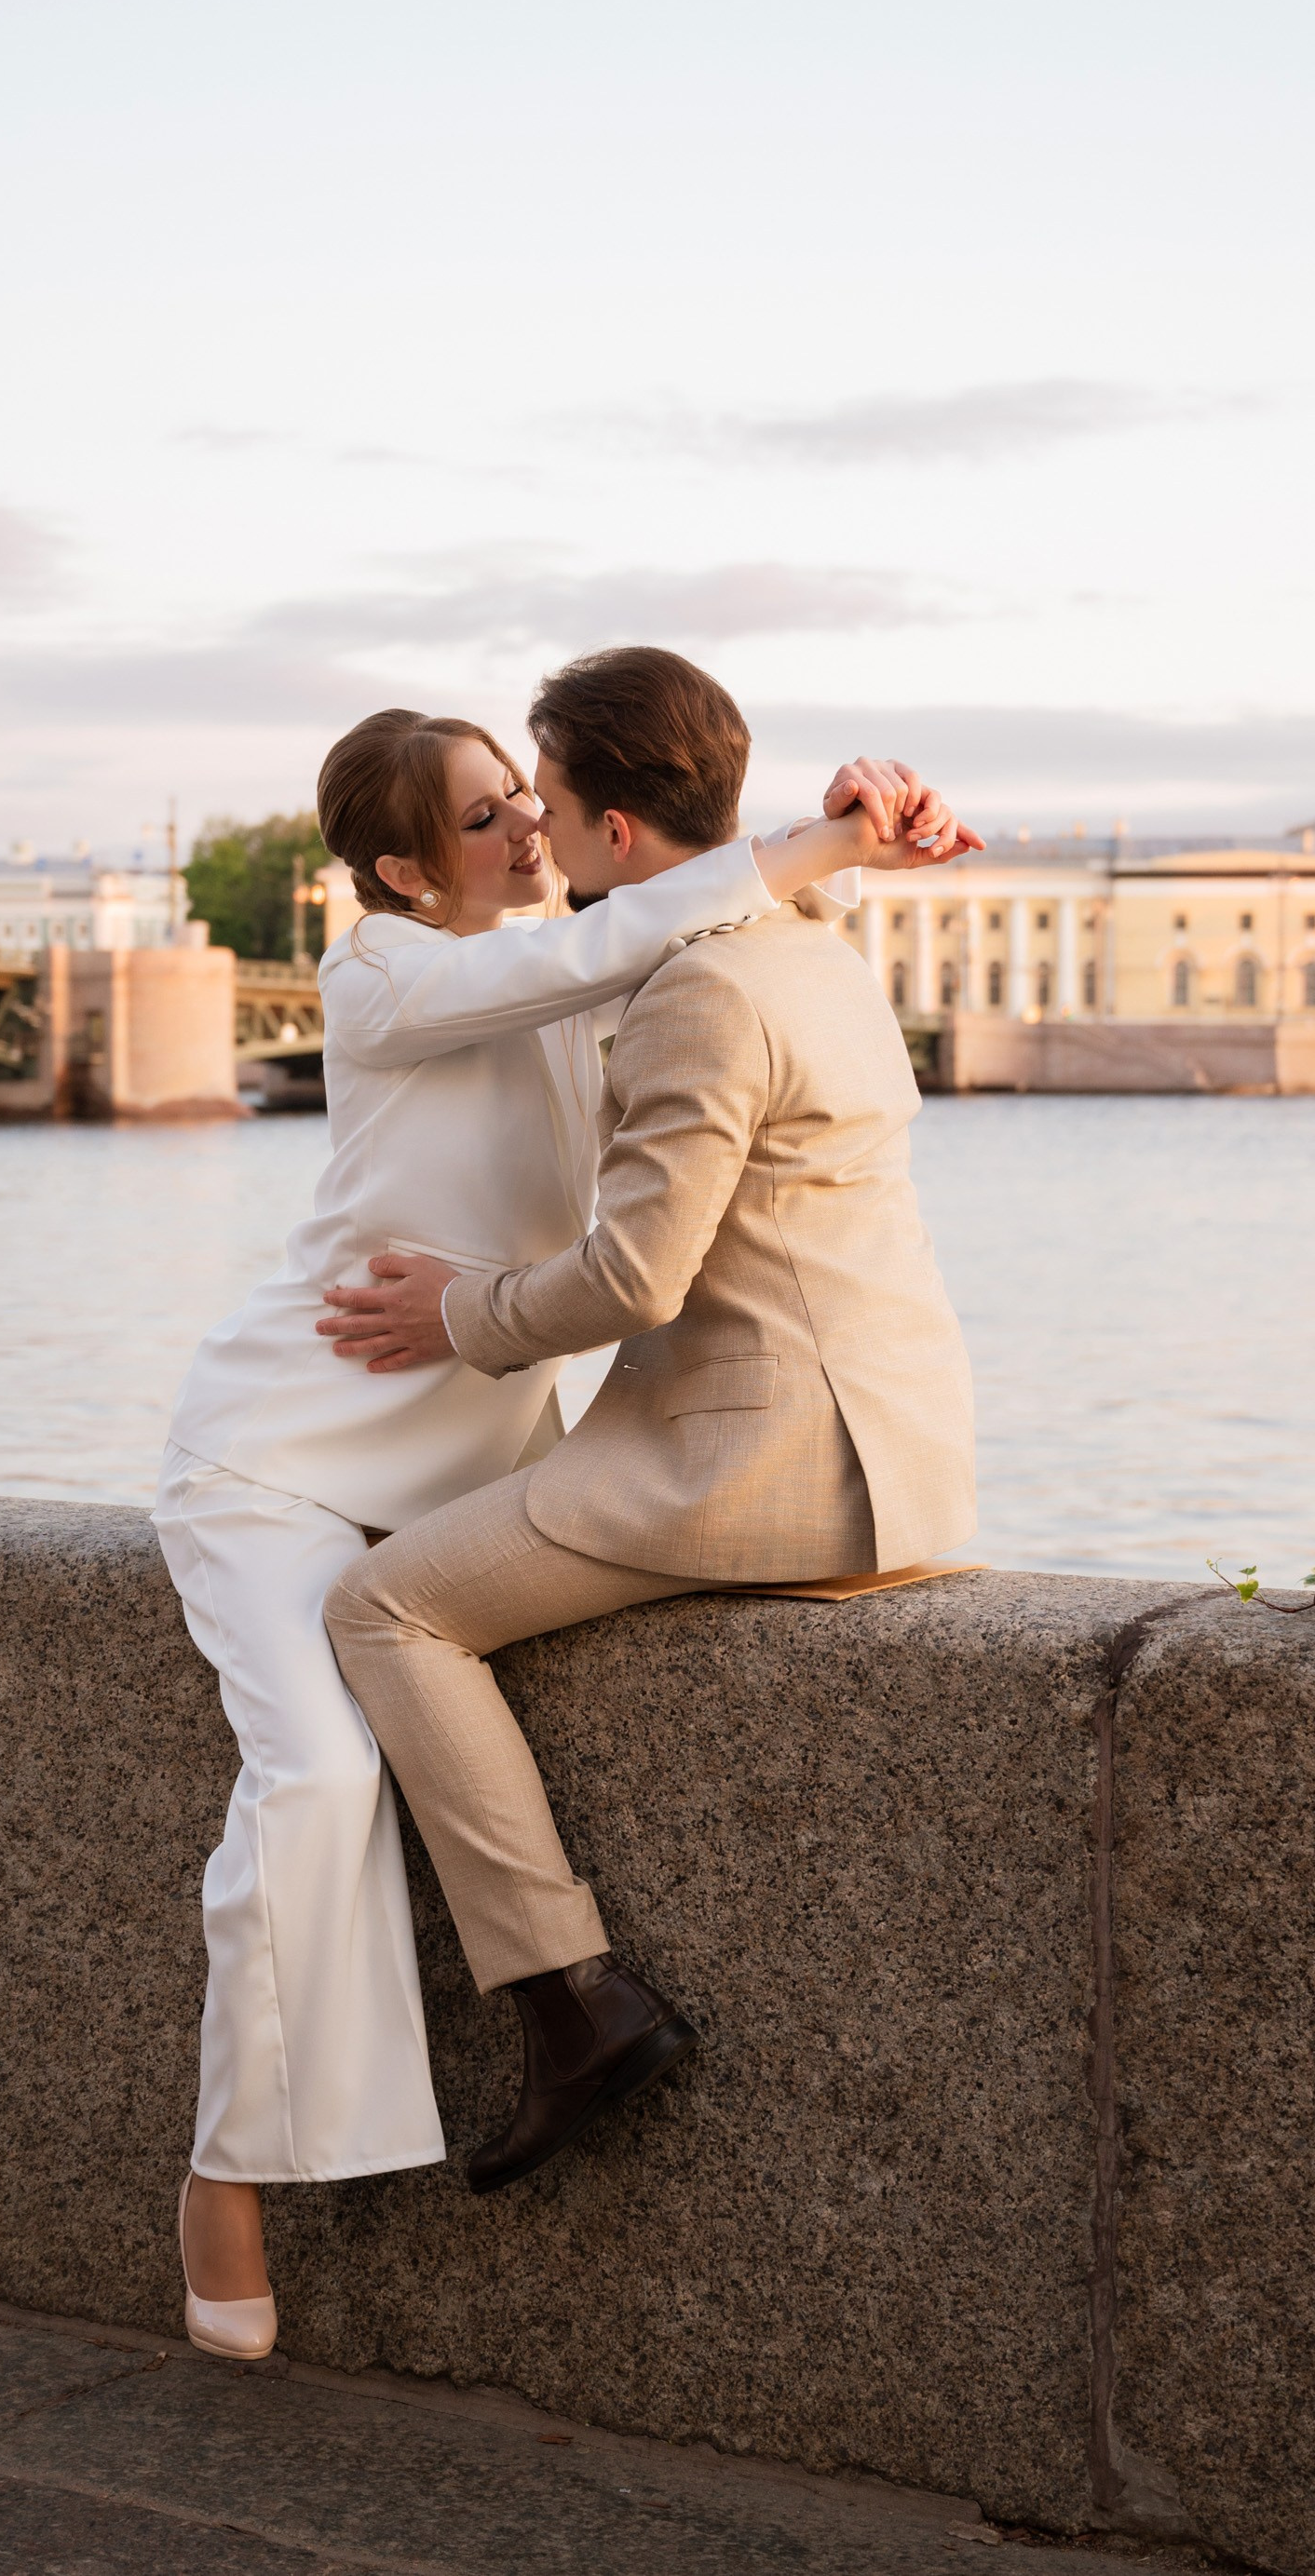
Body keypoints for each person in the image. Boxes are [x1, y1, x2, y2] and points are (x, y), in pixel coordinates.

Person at [153, 693, 970, 2362]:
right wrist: (812, 842)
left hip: (461, 1464)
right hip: (284, 1460)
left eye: (529, 794)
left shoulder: (588, 980)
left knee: (367, 1720)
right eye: (479, 815)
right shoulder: (389, 974)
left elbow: (727, 969)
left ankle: (539, 2023)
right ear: (396, 871)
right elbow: (639, 933)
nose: (527, 825)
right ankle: (224, 2175)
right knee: (313, 1783)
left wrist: (857, 844)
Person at [319, 646, 981, 2200]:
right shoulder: (807, 940)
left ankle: (572, 2000)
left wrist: (459, 1315)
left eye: (545, 801)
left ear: (620, 832)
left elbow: (635, 1272)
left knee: (385, 1606)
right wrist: (851, 834)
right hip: (903, 1445)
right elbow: (770, 901)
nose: (535, 835)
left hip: (768, 1459)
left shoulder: (693, 989)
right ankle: (573, 2007)